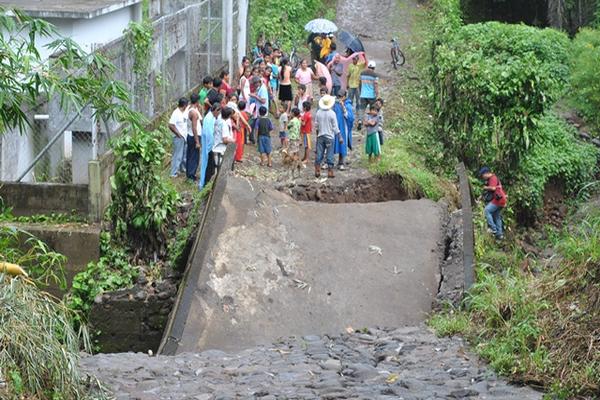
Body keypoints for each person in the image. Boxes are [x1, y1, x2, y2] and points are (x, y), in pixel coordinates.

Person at [314, 95, 341, 178]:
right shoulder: (332, 113)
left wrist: (317, 134)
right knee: (329, 154)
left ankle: (317, 170)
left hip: (320, 136)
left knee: (319, 154)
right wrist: (339, 136)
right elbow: (335, 127)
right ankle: (330, 171)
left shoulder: (318, 112)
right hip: (329, 137)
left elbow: (316, 125)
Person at [479, 167, 507, 240]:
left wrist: (485, 187)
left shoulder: (493, 178)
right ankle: (499, 235)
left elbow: (493, 188)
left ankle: (493, 229)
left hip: (498, 200)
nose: (483, 177)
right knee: (497, 216)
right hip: (501, 199)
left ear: (486, 173)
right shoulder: (491, 179)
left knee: (487, 210)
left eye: (483, 175)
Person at [199, 104, 221, 189]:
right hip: (208, 146)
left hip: (209, 146)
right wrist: (209, 147)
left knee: (210, 166)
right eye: (218, 112)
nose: (218, 114)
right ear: (216, 110)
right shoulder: (209, 119)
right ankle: (204, 184)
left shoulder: (211, 117)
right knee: (207, 165)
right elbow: (208, 134)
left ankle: (205, 183)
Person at [168, 97, 189, 178]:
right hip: (178, 137)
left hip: (184, 137)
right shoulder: (176, 113)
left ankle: (182, 169)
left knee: (184, 154)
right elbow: (170, 125)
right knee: (177, 155)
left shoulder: (183, 112)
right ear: (184, 105)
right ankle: (173, 173)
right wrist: (178, 134)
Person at [186, 94, 203, 181]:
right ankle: (191, 175)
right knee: (194, 156)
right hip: (194, 136)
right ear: (197, 101)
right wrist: (197, 141)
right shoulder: (194, 113)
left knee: (190, 154)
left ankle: (189, 173)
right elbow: (194, 128)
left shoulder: (190, 109)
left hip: (190, 135)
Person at [358, 61, 379, 130]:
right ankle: (370, 122)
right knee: (372, 109)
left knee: (362, 109)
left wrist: (361, 91)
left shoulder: (362, 73)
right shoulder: (375, 75)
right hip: (371, 95)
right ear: (374, 67)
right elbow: (376, 85)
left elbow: (360, 83)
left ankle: (360, 121)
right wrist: (377, 94)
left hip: (363, 94)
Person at [333, 90, 349, 170]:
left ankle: (341, 162)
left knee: (342, 144)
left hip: (343, 127)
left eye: (341, 97)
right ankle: (329, 161)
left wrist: (343, 107)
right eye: (339, 96)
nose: (340, 98)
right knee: (332, 143)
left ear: (345, 97)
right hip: (334, 127)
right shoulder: (334, 104)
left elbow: (349, 117)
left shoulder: (347, 104)